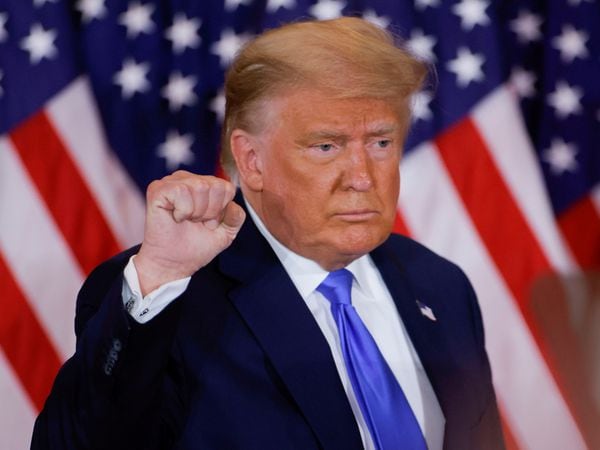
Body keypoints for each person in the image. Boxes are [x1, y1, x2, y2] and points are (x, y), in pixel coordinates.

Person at [32, 17, 505, 450]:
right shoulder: (171, 298)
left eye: (380, 142)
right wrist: (161, 274)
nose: (362, 176)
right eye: (326, 146)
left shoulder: (440, 286)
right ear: (252, 161)